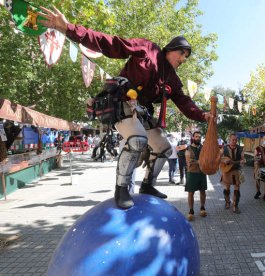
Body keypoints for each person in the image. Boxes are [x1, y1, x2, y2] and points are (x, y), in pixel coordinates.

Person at [39, 7, 213, 209]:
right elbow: (111, 44)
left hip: (142, 112)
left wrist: (203, 115)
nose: (183, 59)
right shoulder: (148, 48)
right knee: (138, 140)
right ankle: (121, 189)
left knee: (165, 148)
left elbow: (184, 102)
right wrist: (68, 28)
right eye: (182, 53)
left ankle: (147, 186)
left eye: (186, 57)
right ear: (170, 48)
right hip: (121, 102)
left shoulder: (173, 79)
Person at [220, 133, 246, 213]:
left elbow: (243, 159)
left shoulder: (240, 149)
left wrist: (243, 162)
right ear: (229, 140)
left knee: (237, 188)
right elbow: (218, 158)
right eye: (233, 140)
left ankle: (235, 206)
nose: (234, 141)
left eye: (235, 140)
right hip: (226, 171)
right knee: (227, 188)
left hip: (236, 171)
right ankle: (227, 202)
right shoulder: (224, 148)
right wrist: (224, 160)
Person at [185, 131, 207, 221]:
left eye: (199, 137)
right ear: (193, 138)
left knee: (203, 192)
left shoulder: (204, 148)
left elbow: (207, 158)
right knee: (191, 193)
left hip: (202, 173)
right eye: (196, 137)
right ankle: (191, 211)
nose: (198, 138)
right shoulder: (188, 149)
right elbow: (189, 161)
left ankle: (202, 208)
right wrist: (200, 161)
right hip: (192, 173)